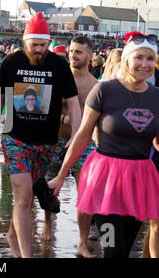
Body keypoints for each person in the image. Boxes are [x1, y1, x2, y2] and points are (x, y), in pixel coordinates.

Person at [48, 31, 159, 258]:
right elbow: (82, 136)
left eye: (150, 59)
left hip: (139, 181)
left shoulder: (157, 96)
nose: (145, 65)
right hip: (105, 182)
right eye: (139, 57)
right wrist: (61, 175)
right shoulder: (105, 90)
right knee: (111, 248)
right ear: (127, 58)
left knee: (125, 247)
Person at [0, 12, 81, 258]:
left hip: (46, 144)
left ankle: (11, 234)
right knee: (25, 196)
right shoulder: (10, 63)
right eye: (34, 44)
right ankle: (25, 255)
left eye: (43, 44)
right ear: (24, 41)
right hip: (15, 139)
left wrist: (75, 135)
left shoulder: (60, 65)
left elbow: (73, 104)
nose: (39, 49)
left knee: (24, 199)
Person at [44, 36, 98, 258]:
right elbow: (43, 109)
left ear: (90, 55)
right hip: (55, 140)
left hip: (84, 144)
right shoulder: (58, 79)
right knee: (49, 187)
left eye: (79, 52)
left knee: (86, 191)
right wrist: (66, 118)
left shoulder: (96, 85)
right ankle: (48, 223)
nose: (73, 55)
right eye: (72, 51)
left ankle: (82, 242)